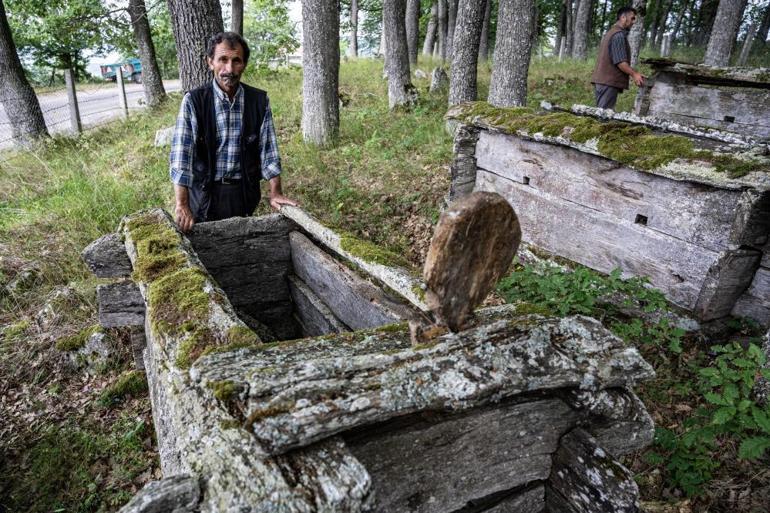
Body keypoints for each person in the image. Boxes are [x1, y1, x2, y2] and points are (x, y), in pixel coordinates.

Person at [169, 32, 297, 233]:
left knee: (239, 244)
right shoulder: (194, 101)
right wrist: (182, 204)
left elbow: (269, 152)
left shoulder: (258, 101)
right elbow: (181, 158)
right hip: (203, 194)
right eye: (223, 60)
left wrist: (276, 192)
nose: (229, 69)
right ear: (210, 62)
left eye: (236, 61)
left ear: (244, 64)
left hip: (243, 193)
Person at [590, 7, 646, 110]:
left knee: (602, 112)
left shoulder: (611, 32)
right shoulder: (618, 35)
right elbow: (620, 62)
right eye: (632, 18)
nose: (633, 22)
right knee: (604, 116)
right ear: (623, 17)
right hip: (608, 82)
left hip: (604, 81)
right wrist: (635, 74)